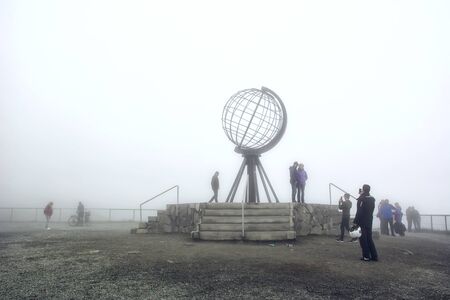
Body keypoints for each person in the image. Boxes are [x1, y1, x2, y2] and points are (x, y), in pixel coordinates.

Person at [353, 184, 378, 262]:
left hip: (362, 221)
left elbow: (359, 211)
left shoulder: (362, 199)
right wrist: (362, 195)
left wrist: (355, 221)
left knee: (363, 239)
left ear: (363, 190)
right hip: (369, 220)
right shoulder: (372, 199)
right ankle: (374, 256)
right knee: (369, 238)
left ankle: (366, 256)